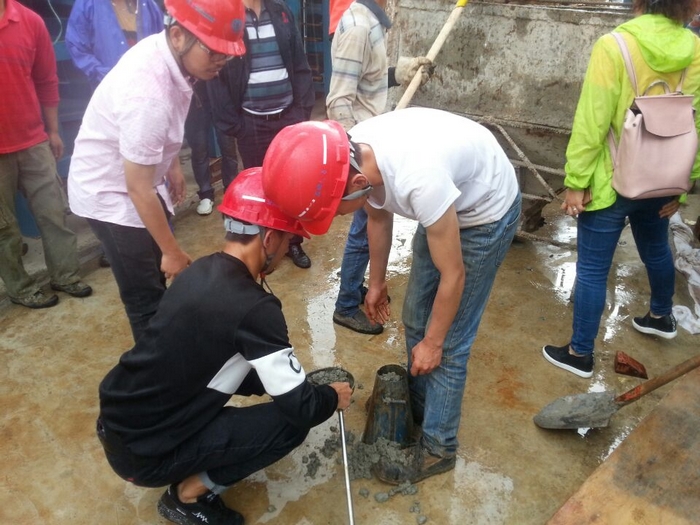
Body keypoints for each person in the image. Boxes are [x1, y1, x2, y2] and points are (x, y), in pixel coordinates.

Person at [261, 108, 522, 484]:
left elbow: (454, 275)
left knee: (449, 341)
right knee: (415, 313)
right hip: (445, 203)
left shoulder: (420, 181)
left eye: (335, 212)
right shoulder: (353, 154)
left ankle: (439, 447)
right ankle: (419, 400)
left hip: (485, 212)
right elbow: (378, 217)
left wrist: (433, 343)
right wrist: (377, 282)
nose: (338, 219)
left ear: (358, 183)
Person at [96, 167, 353, 525]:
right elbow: (302, 411)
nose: (286, 250)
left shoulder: (198, 271)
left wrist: (283, 384)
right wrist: (327, 397)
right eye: (288, 241)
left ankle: (181, 465)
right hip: (144, 458)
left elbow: (218, 364)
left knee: (283, 396)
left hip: (120, 426)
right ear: (269, 239)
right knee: (291, 425)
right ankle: (187, 495)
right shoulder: (255, 308)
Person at [67, 0, 246, 342]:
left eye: (227, 55)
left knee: (157, 273)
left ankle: (169, 344)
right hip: (111, 192)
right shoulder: (147, 93)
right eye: (213, 52)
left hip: (136, 178)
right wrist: (171, 251)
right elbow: (137, 188)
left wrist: (171, 165)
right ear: (178, 35)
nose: (220, 62)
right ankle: (157, 366)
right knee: (144, 298)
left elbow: (158, 135)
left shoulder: (169, 55)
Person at [542, 0, 700, 379]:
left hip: (611, 181)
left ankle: (580, 353)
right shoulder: (696, 49)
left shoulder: (614, 46)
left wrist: (576, 182)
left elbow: (592, 121)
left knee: (593, 269)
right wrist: (683, 185)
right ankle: (660, 317)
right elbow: (696, 122)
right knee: (657, 249)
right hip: (662, 178)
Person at [326, 0, 431, 334]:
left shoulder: (370, 22)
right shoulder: (358, 27)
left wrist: (398, 75)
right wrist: (354, 163)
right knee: (364, 232)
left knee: (365, 230)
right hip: (364, 154)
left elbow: (365, 81)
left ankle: (354, 288)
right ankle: (345, 304)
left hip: (370, 147)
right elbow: (338, 100)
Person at [208, 0, 315, 269]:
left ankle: (292, 242)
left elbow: (299, 63)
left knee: (292, 184)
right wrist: (236, 125)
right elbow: (216, 78)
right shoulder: (227, 15)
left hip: (288, 118)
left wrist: (301, 111)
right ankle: (263, 245)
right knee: (261, 188)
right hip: (251, 124)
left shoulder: (280, 11)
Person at [0, 0, 92, 309]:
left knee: (53, 212)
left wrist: (53, 131)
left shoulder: (30, 22)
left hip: (33, 141)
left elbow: (46, 79)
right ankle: (20, 288)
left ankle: (65, 275)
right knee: (4, 229)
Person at [65, 0, 164, 90]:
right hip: (108, 92)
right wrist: (104, 75)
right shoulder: (88, 4)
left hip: (147, 90)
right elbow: (77, 47)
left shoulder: (149, 6)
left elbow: (162, 48)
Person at [184, 80, 239, 216]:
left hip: (221, 99)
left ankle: (231, 190)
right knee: (199, 149)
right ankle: (205, 194)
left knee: (228, 147)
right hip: (195, 103)